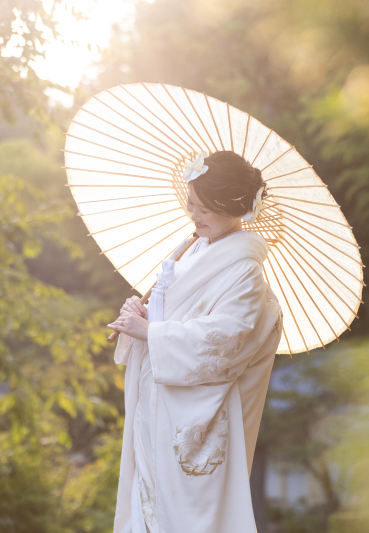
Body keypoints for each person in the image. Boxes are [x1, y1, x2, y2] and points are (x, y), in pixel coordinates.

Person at [106, 151, 283, 533]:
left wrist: (151, 332)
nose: (194, 216)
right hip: (159, 402)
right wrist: (143, 312)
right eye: (191, 204)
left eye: (205, 209)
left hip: (194, 418)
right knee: (144, 506)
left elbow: (226, 340)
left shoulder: (246, 273)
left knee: (185, 519)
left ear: (235, 208)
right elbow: (171, 314)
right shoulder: (190, 251)